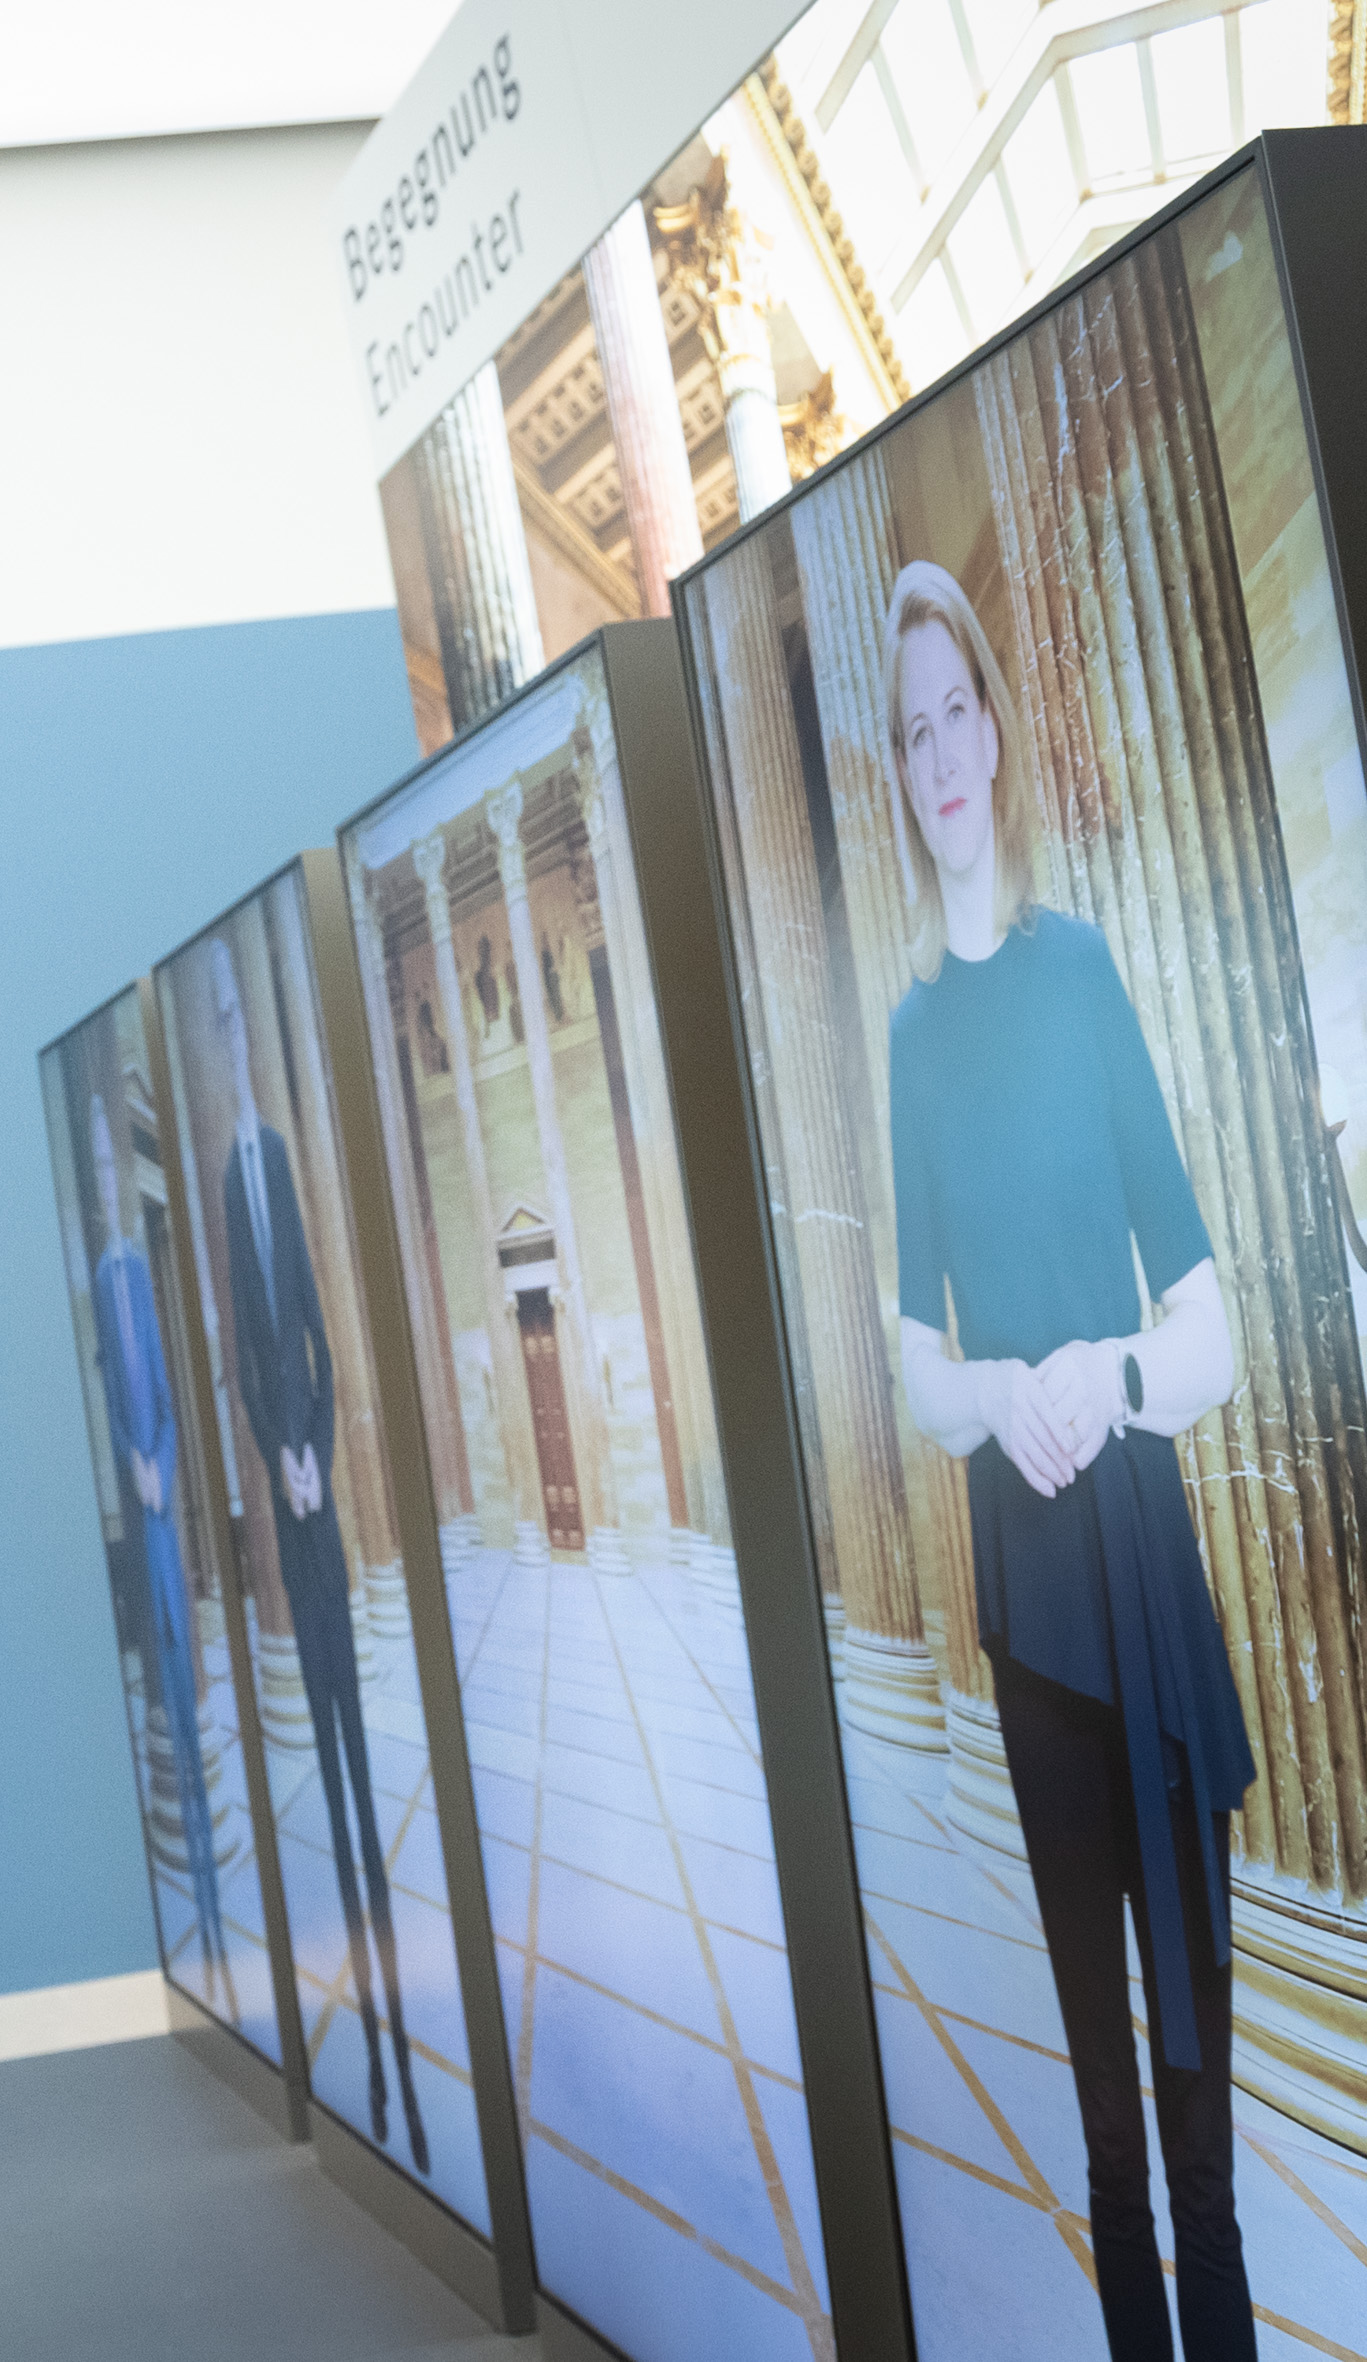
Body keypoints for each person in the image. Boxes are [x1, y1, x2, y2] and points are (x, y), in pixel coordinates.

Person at [880, 560, 1255, 2362]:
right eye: (910, 731)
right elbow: (908, 1356)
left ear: (994, 729)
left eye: (956, 708)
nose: (940, 750)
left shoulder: (1082, 968)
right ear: (898, 774)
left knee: (1199, 2155)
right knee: (1104, 2142)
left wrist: (1101, 1372)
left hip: (1143, 1580)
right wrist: (989, 1383)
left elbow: (1210, 1326)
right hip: (1031, 1629)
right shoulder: (908, 1037)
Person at [205, 936, 428, 2171]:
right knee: (323, 1734)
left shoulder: (277, 1158)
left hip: (316, 1487)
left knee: (347, 1708)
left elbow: (315, 1337)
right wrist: (273, 1451)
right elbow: (246, 1353)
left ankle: (395, 2025)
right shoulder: (219, 1175)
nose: (234, 1034)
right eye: (223, 1021)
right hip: (282, 1485)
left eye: (239, 1017)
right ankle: (350, 1917)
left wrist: (318, 1457)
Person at [86, 1085, 227, 1987]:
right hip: (134, 1534)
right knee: (162, 1695)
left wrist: (159, 1468)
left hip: (162, 1515)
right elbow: (107, 1400)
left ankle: (212, 1900)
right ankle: (196, 1914)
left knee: (185, 1684)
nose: (110, 1178)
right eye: (101, 1165)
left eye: (115, 1163)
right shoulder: (97, 1283)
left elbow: (167, 1404)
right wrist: (125, 1465)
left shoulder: (137, 1271)